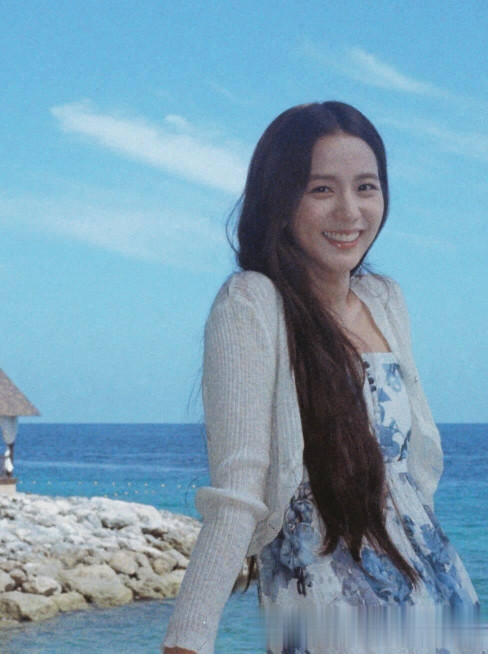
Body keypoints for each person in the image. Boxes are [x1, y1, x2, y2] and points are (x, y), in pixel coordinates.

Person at [162, 102, 483, 654]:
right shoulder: (251, 304)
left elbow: (409, 480)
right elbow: (237, 492)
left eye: (366, 187)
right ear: (280, 200)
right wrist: (186, 642)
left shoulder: (385, 300)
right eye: (321, 190)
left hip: (440, 599)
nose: (349, 211)